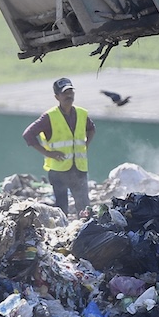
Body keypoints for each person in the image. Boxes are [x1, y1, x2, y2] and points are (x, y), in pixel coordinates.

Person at [22, 77, 95, 216]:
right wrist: (48, 153)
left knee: (84, 207)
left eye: (70, 92)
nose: (69, 95)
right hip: (59, 170)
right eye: (64, 93)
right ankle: (64, 234)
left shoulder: (81, 113)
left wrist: (86, 143)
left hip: (79, 168)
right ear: (57, 97)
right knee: (62, 209)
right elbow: (28, 134)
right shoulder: (49, 117)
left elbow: (91, 128)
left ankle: (87, 231)